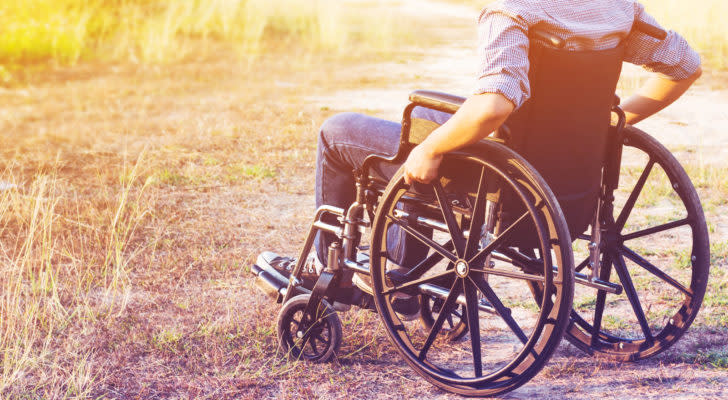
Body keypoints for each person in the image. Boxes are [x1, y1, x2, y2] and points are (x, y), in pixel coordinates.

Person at [258, 0, 702, 299]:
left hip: (504, 187)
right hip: (567, 190)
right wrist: (604, 124)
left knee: (340, 133)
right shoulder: (618, 9)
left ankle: (327, 269)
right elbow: (685, 66)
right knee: (437, 131)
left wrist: (430, 148)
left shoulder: (513, 10)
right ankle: (408, 279)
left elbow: (494, 104)